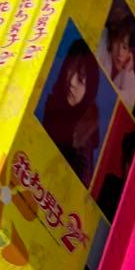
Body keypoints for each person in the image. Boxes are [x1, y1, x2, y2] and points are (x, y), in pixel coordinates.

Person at [42, 39, 100, 185]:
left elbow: (84, 180)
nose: (72, 82)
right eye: (70, 70)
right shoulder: (52, 104)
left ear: (91, 84)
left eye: (81, 77)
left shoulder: (88, 124)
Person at [99, 13, 135, 108]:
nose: (119, 52)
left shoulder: (128, 71)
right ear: (111, 40)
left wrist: (126, 72)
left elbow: (130, 101)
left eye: (124, 47)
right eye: (117, 43)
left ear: (130, 53)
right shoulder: (102, 46)